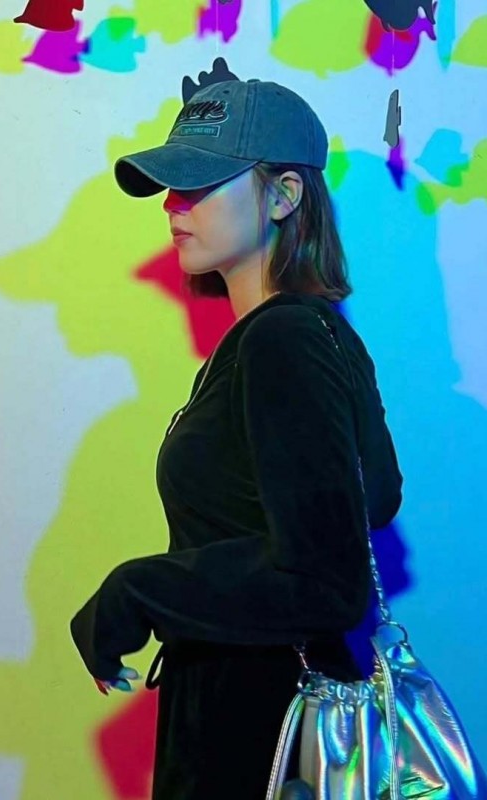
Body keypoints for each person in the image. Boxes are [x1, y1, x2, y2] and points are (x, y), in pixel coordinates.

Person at [69, 68, 404, 799]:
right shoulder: (307, 337)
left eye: (200, 182)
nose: (172, 203)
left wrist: (139, 589)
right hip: (256, 719)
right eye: (172, 184)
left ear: (284, 195)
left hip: (254, 732)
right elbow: (370, 501)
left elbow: (327, 580)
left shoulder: (282, 340)